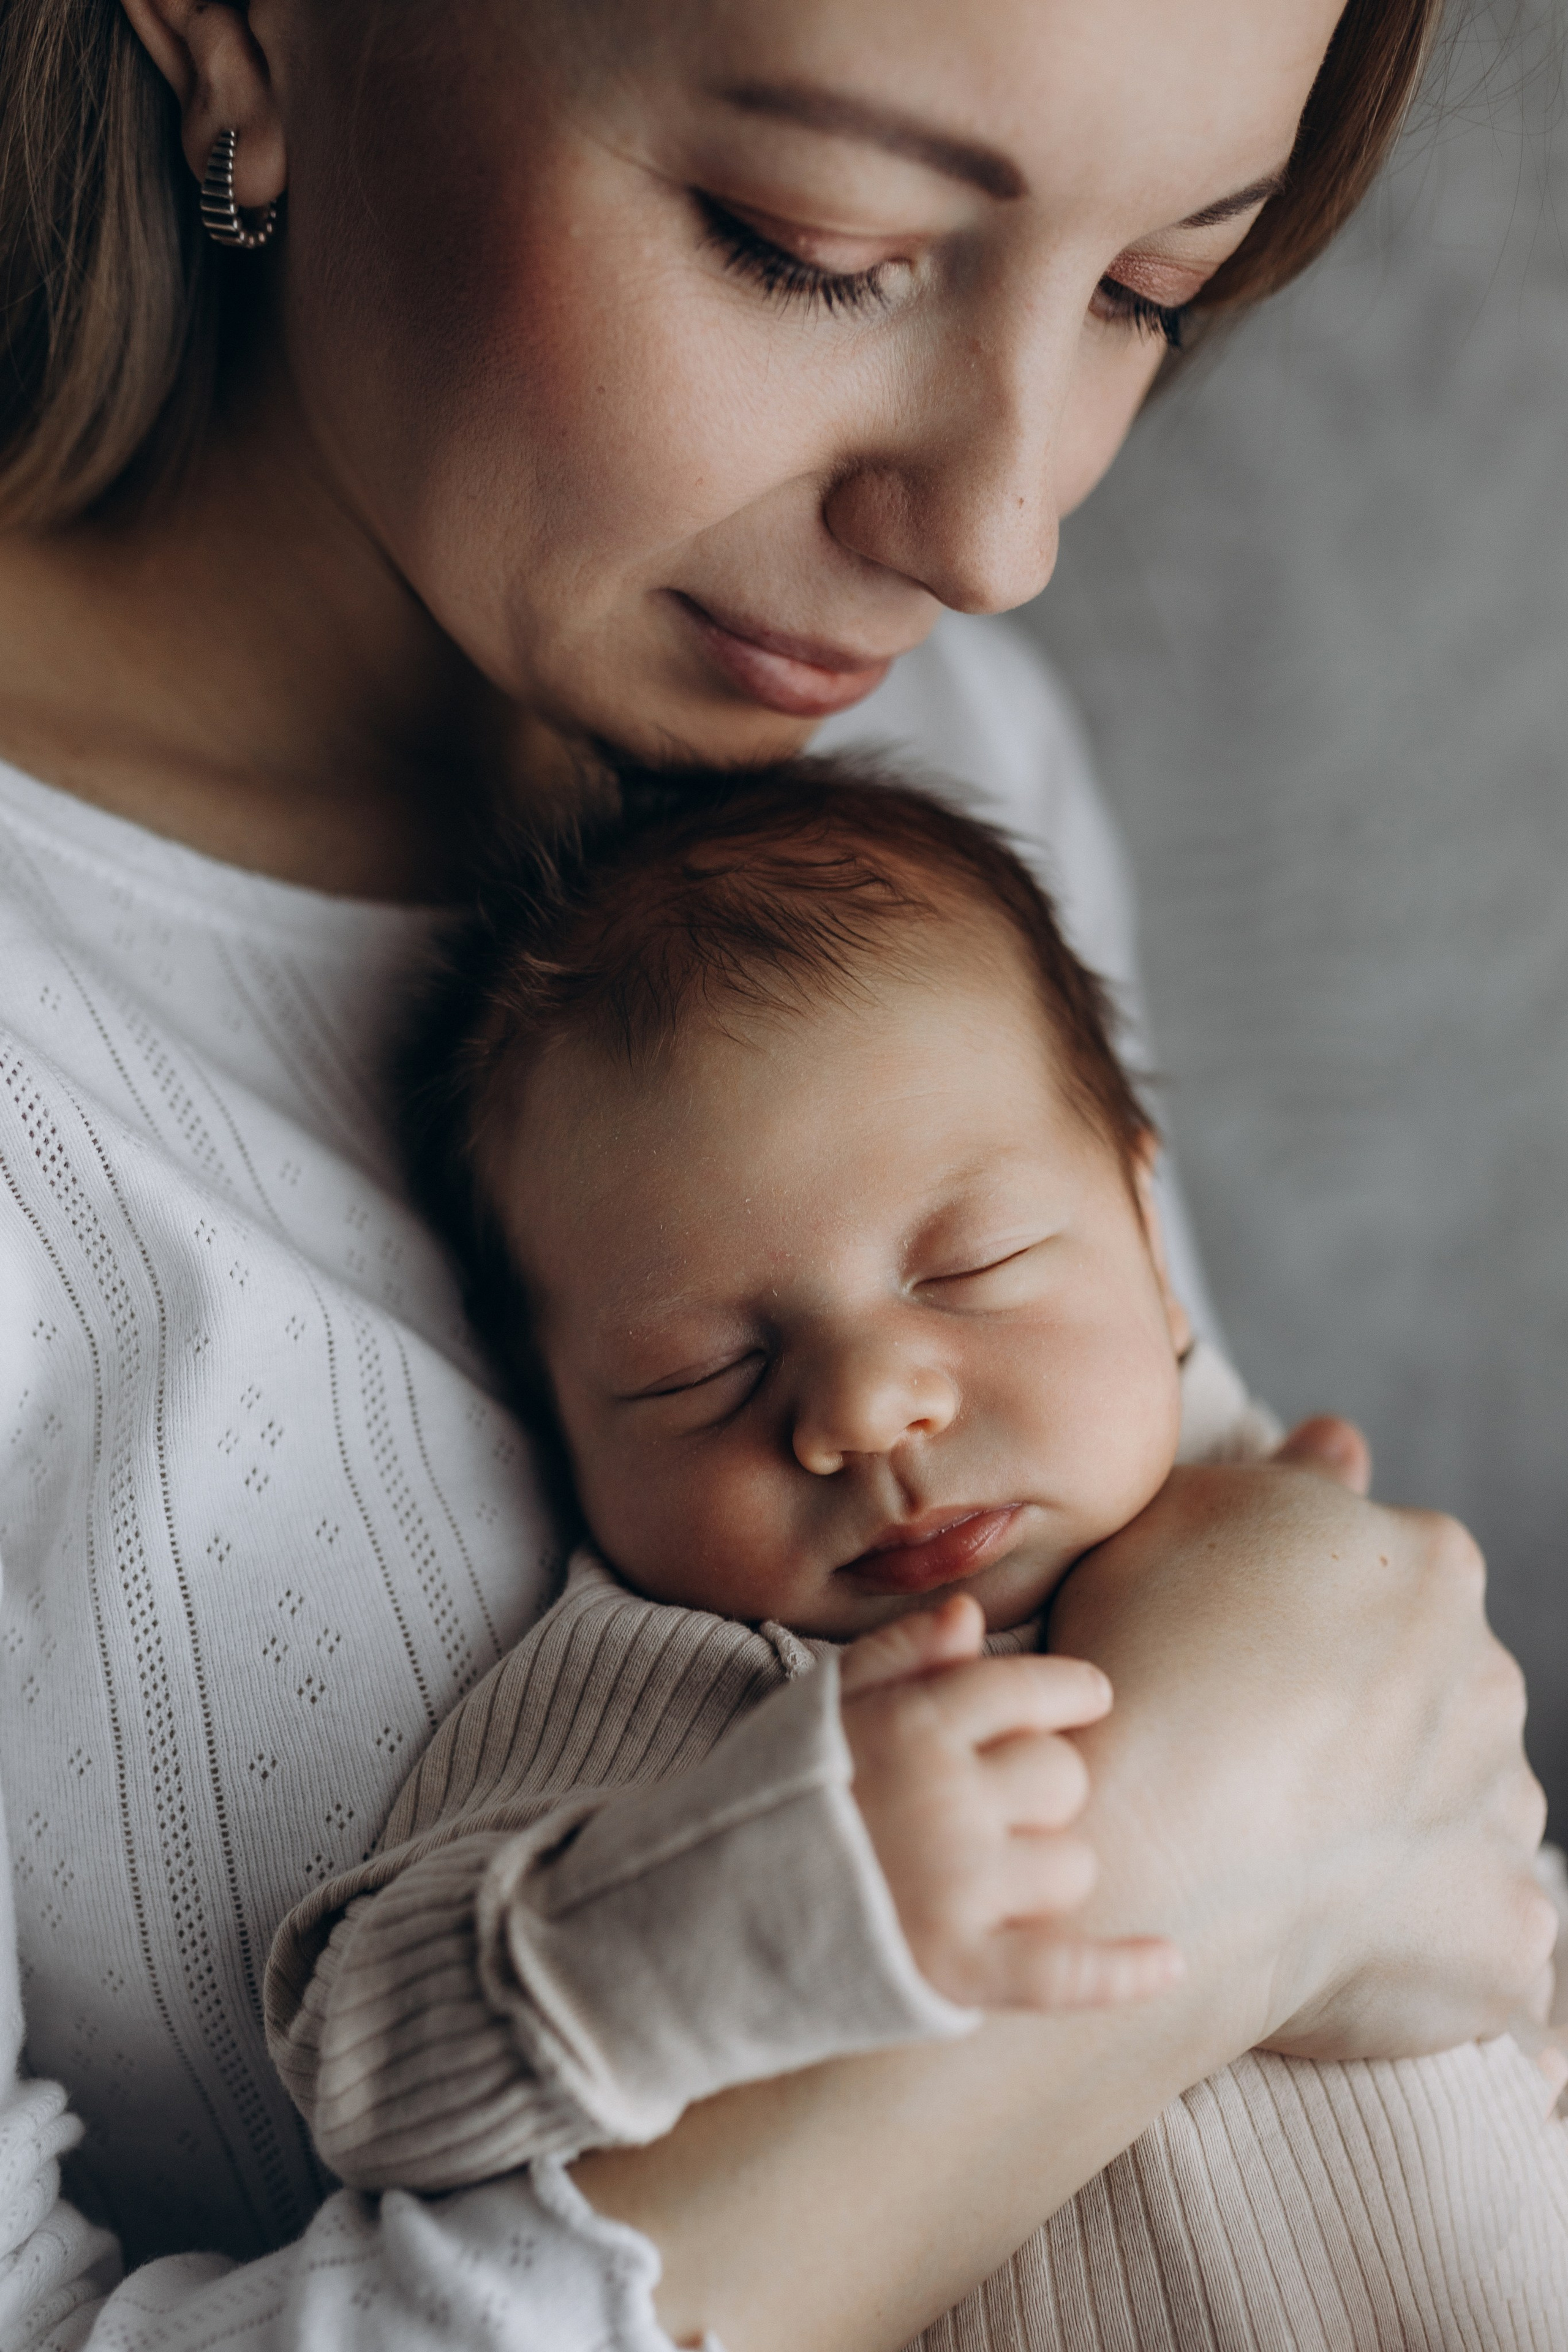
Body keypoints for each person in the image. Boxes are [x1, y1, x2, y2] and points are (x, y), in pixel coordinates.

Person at [0, 1, 1553, 2348]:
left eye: (1152, 291)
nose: (1000, 534)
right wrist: (1199, 1885)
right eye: (811, 245)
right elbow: (1282, 1784)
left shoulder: (905, 754)